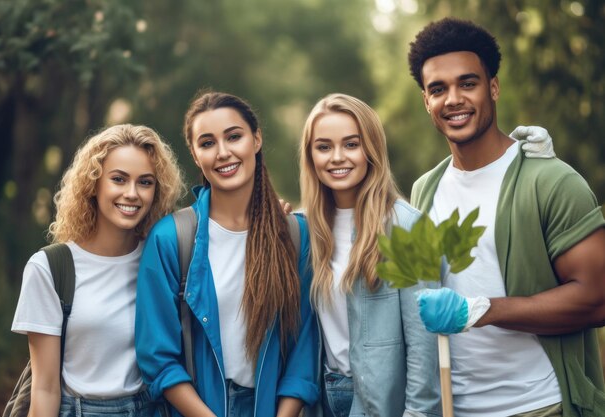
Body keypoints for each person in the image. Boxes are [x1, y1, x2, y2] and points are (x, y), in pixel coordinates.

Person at [408, 18, 605, 417]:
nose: (453, 99)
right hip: (453, 408)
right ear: (426, 101)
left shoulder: (551, 181)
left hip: (540, 405)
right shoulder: (423, 191)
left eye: (468, 83)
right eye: (438, 89)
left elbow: (596, 299)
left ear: (493, 87)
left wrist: (479, 311)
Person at [135, 91, 319, 417]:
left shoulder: (294, 235)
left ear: (256, 139)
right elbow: (157, 357)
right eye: (207, 143)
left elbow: (304, 348)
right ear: (194, 155)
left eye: (234, 137)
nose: (223, 152)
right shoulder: (170, 239)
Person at [11, 124, 185, 417]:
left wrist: (271, 216)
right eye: (118, 179)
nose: (132, 193)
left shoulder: (164, 257)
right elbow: (45, 388)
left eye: (145, 182)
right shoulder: (51, 268)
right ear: (94, 183)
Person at [299, 93, 441, 417]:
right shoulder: (305, 229)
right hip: (321, 398)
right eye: (324, 147)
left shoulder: (409, 228)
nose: (337, 157)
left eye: (351, 144)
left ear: (372, 150)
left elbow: (424, 348)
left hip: (381, 404)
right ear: (310, 156)